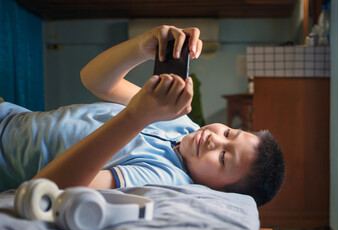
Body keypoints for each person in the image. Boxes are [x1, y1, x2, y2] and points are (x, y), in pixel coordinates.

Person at [0, 25, 285, 206]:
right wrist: (140, 47)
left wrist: (137, 117)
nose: (214, 139)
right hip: (9, 114)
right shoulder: (181, 122)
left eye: (224, 158)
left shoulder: (165, 176)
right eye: (228, 133)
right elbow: (95, 80)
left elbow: (50, 188)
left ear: (220, 192)